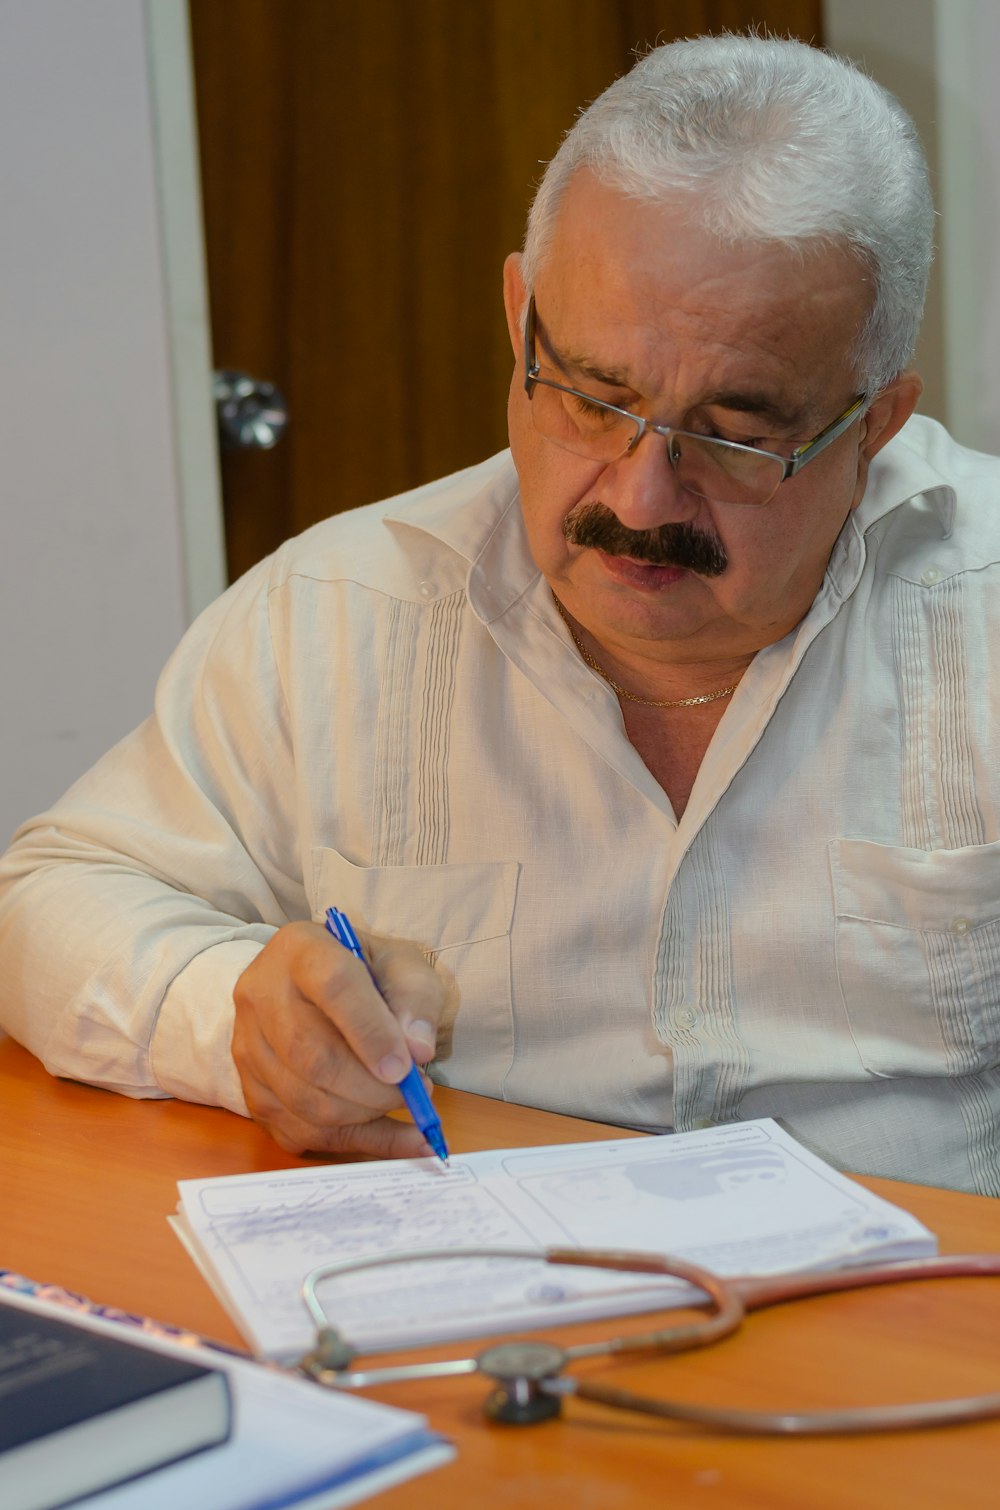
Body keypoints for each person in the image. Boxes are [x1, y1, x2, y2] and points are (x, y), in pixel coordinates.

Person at [2, 34, 998, 1195]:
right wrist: (234, 1017)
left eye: (733, 429)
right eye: (592, 394)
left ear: (873, 423)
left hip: (914, 1332)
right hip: (476, 1312)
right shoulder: (337, 615)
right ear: (520, 316)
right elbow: (46, 900)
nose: (637, 494)